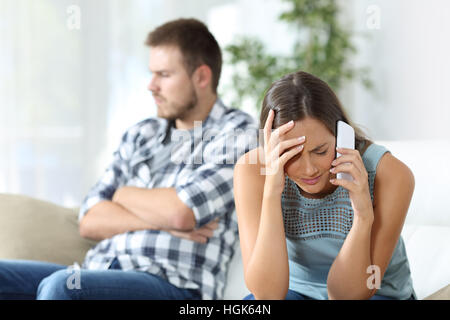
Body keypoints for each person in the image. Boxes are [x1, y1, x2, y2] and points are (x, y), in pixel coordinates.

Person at [0, 18, 257, 300]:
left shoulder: (237, 133)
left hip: (173, 284)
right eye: (151, 74)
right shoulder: (141, 134)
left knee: (61, 288)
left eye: (164, 75)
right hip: (97, 270)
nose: (151, 85)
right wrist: (159, 219)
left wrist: (122, 196)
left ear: (201, 77)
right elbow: (90, 220)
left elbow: (182, 212)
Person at [234, 70, 416, 300]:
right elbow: (267, 295)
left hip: (375, 295)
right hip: (296, 292)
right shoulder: (252, 171)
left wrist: (362, 217)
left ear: (342, 135)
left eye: (320, 151)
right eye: (291, 155)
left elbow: (347, 295)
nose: (309, 169)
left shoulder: (390, 175)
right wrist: (271, 192)